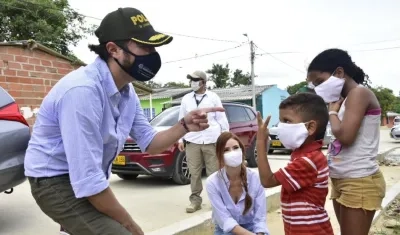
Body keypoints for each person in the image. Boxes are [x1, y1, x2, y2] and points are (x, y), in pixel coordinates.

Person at [24, 7, 224, 235]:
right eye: (144, 46)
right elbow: (88, 180)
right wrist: (130, 226)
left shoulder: (127, 94)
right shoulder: (83, 91)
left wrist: (184, 126)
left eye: (153, 47)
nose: (152, 53)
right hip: (54, 181)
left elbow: (150, 142)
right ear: (113, 49)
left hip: (83, 178)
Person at [307, 48, 385, 235]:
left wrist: (332, 112)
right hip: (342, 178)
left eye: (319, 81)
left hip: (359, 180)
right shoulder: (343, 100)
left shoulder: (359, 93)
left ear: (339, 73)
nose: (318, 88)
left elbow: (346, 136)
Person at [256, 92, 333, 235]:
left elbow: (267, 180)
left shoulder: (308, 161)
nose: (281, 126)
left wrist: (260, 142)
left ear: (310, 127)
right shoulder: (301, 155)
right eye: (280, 121)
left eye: (287, 121)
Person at [178, 70, 229, 213]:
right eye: (191, 79)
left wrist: (225, 138)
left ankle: (217, 202)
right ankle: (195, 201)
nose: (192, 82)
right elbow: (181, 119)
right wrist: (180, 139)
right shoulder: (186, 99)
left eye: (195, 80)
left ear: (203, 82)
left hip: (211, 140)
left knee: (214, 173)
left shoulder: (213, 97)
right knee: (194, 173)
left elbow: (221, 119)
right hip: (192, 140)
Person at [206, 132, 269, 235]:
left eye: (235, 147)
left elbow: (260, 218)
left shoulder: (256, 178)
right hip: (226, 231)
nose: (232, 152)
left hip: (252, 227)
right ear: (219, 156)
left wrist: (259, 233)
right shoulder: (212, 183)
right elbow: (225, 220)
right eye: (226, 150)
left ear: (242, 151)